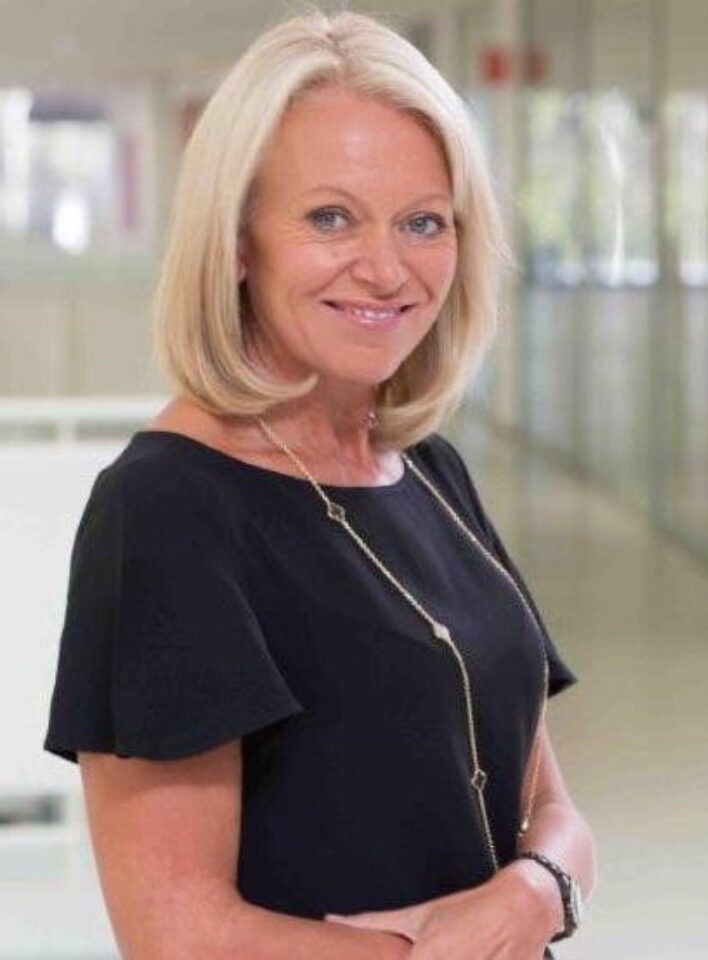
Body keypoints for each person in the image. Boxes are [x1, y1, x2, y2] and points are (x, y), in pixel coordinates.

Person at [43, 8, 596, 959]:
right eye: (330, 217)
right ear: (238, 240)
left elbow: (549, 806)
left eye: (423, 222)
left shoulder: (427, 468)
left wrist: (535, 894)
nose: (385, 269)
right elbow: (174, 934)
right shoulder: (166, 510)